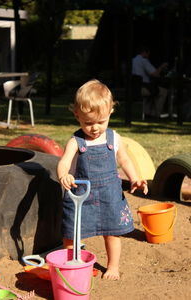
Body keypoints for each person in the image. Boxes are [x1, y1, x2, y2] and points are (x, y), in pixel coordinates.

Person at [57, 79, 148, 280]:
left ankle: (113, 266)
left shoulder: (114, 138)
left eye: (101, 121)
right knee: (71, 233)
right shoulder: (75, 141)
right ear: (77, 115)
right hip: (81, 195)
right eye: (88, 123)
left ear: (110, 114)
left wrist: (135, 178)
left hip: (109, 195)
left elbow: (124, 159)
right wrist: (64, 175)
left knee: (112, 232)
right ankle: (73, 264)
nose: (95, 128)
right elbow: (63, 162)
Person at [132, 45, 168, 118]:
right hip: (142, 88)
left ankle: (147, 112)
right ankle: (156, 114)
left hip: (133, 88)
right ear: (145, 52)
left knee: (154, 89)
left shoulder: (132, 60)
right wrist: (162, 66)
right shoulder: (143, 60)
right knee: (163, 91)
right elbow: (155, 74)